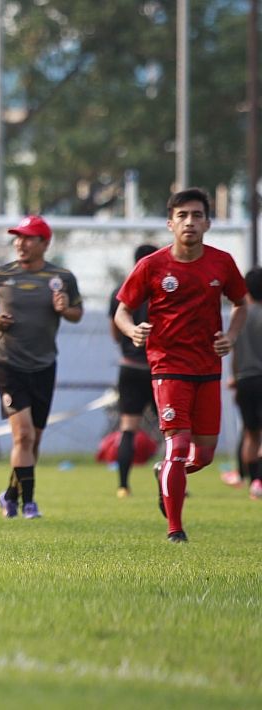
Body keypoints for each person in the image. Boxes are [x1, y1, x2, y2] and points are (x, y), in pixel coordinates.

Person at [116, 188, 247, 542]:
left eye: (197, 215)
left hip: (208, 367)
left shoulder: (222, 263)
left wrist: (231, 336)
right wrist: (133, 331)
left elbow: (240, 302)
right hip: (168, 366)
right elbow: (122, 311)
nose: (190, 221)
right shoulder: (152, 266)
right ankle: (176, 529)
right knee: (177, 443)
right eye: (183, 215)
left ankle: (166, 472)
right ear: (170, 223)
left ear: (208, 222)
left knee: (202, 455)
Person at [0, 215, 83, 520]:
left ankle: (10, 494)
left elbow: (77, 313)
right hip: (7, 362)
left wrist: (65, 309)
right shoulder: (1, 273)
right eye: (17, 238)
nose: (20, 243)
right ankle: (29, 504)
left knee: (33, 439)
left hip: (44, 365)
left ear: (44, 243)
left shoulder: (62, 277)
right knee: (22, 436)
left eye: (28, 238)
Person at [106, 244, 158, 498]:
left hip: (130, 366)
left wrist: (129, 341)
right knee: (173, 430)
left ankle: (123, 485)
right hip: (160, 369)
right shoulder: (163, 290)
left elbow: (115, 332)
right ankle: (177, 484)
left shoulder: (120, 291)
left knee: (128, 427)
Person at [229, 267, 262, 500]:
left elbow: (233, 352)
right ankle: (260, 479)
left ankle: (252, 483)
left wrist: (234, 377)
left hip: (244, 380)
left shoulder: (239, 314)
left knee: (250, 434)